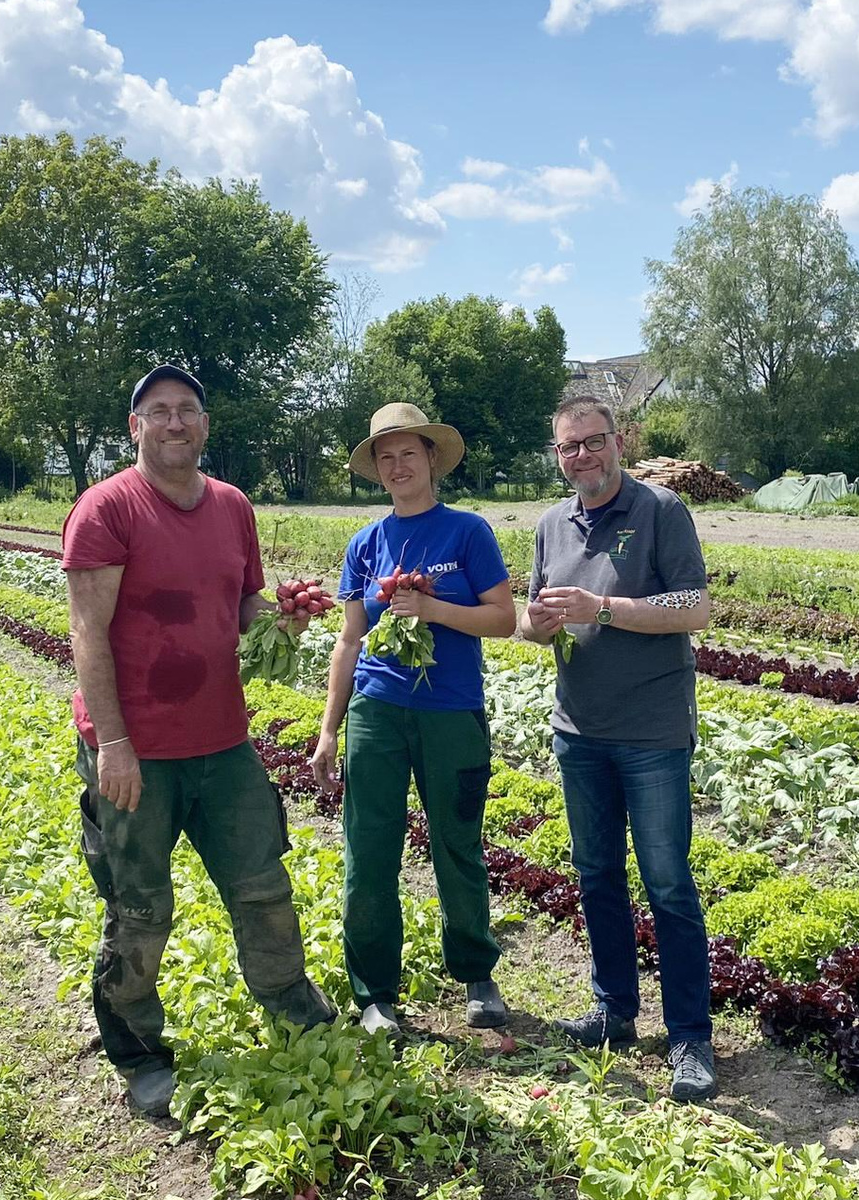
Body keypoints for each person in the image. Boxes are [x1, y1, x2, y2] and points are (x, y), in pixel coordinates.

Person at [64, 363, 337, 1119]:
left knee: (263, 886)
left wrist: (281, 619)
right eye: (159, 411)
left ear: (205, 424)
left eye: (187, 409)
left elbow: (242, 604)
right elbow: (87, 632)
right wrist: (113, 743)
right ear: (136, 427)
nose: (175, 422)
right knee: (141, 907)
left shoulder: (232, 506)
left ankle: (292, 1005)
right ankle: (138, 1051)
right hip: (136, 750)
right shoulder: (106, 508)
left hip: (222, 741)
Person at [518, 396, 717, 1102]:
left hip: (651, 732)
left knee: (667, 882)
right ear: (558, 455)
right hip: (579, 730)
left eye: (593, 441)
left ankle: (689, 1036)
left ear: (618, 442)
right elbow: (531, 623)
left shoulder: (660, 510)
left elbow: (693, 606)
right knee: (596, 874)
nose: (582, 456)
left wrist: (602, 608)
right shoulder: (551, 524)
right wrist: (538, 623)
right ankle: (614, 1011)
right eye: (569, 447)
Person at [309, 403, 516, 1036]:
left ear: (431, 459)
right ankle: (376, 993)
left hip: (450, 710)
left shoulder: (467, 532)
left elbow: (503, 619)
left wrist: (432, 609)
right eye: (386, 457)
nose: (398, 466)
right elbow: (350, 639)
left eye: (409, 453)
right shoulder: (365, 545)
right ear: (377, 469)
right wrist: (329, 728)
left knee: (457, 842)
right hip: (376, 710)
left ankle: (476, 972)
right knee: (369, 849)